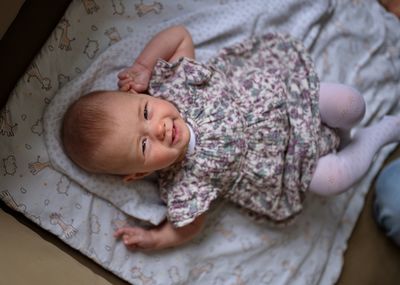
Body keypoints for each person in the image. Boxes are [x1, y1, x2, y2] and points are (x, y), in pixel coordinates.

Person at [62, 26, 400, 250]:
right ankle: (376, 135)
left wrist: (143, 66)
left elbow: (179, 35)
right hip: (288, 167)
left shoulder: (177, 86)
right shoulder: (182, 186)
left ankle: (346, 130)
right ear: (137, 175)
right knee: (332, 179)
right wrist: (156, 239)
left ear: (146, 95)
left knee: (350, 103)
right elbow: (186, 229)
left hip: (287, 102)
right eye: (144, 145)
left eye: (146, 113)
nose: (158, 129)